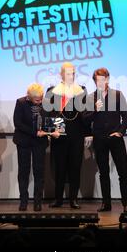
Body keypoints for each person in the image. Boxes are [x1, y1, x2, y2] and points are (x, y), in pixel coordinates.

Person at [84, 68, 127, 212]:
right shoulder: (91, 97)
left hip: (115, 138)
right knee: (103, 172)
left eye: (103, 79)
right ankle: (106, 203)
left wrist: (120, 132)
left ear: (108, 79)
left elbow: (126, 117)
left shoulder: (117, 95)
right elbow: (85, 119)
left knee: (123, 171)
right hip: (99, 139)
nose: (100, 82)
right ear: (94, 81)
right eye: (97, 80)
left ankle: (126, 203)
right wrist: (94, 110)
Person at [44, 62, 87, 209]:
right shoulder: (52, 90)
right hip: (59, 131)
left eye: (73, 73)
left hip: (76, 132)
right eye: (68, 73)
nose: (71, 75)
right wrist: (51, 131)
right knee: (59, 167)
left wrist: (88, 134)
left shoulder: (81, 90)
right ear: (61, 74)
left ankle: (73, 199)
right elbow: (48, 112)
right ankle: (58, 199)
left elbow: (85, 113)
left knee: (75, 167)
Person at [14, 83, 58, 211]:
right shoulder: (21, 102)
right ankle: (23, 201)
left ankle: (37, 201)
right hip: (24, 142)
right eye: (37, 100)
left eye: (41, 98)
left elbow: (52, 118)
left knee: (39, 171)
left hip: (40, 143)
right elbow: (18, 123)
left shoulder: (47, 103)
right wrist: (35, 132)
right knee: (24, 171)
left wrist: (54, 131)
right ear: (29, 97)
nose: (39, 102)